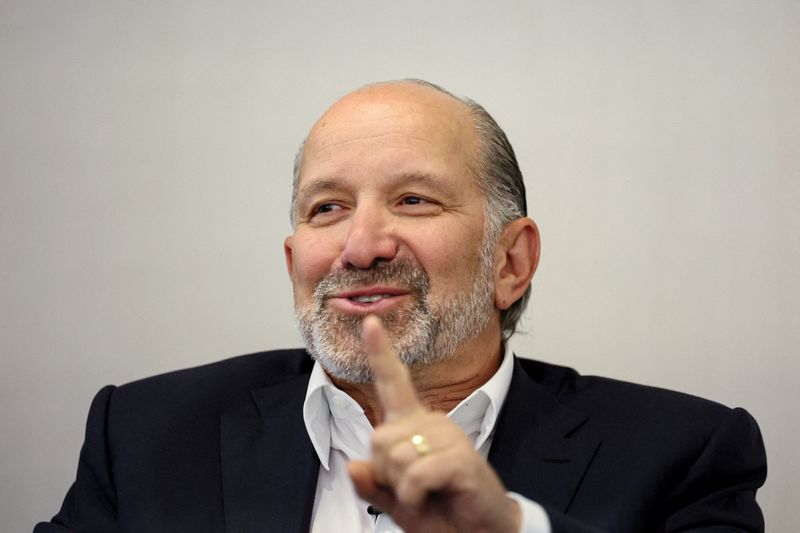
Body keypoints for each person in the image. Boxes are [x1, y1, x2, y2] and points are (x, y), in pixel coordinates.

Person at [35, 80, 767, 532]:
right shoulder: (144, 436)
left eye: (413, 200)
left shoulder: (684, 453)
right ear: (296, 265)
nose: (361, 245)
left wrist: (507, 530)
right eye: (327, 207)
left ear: (511, 262)